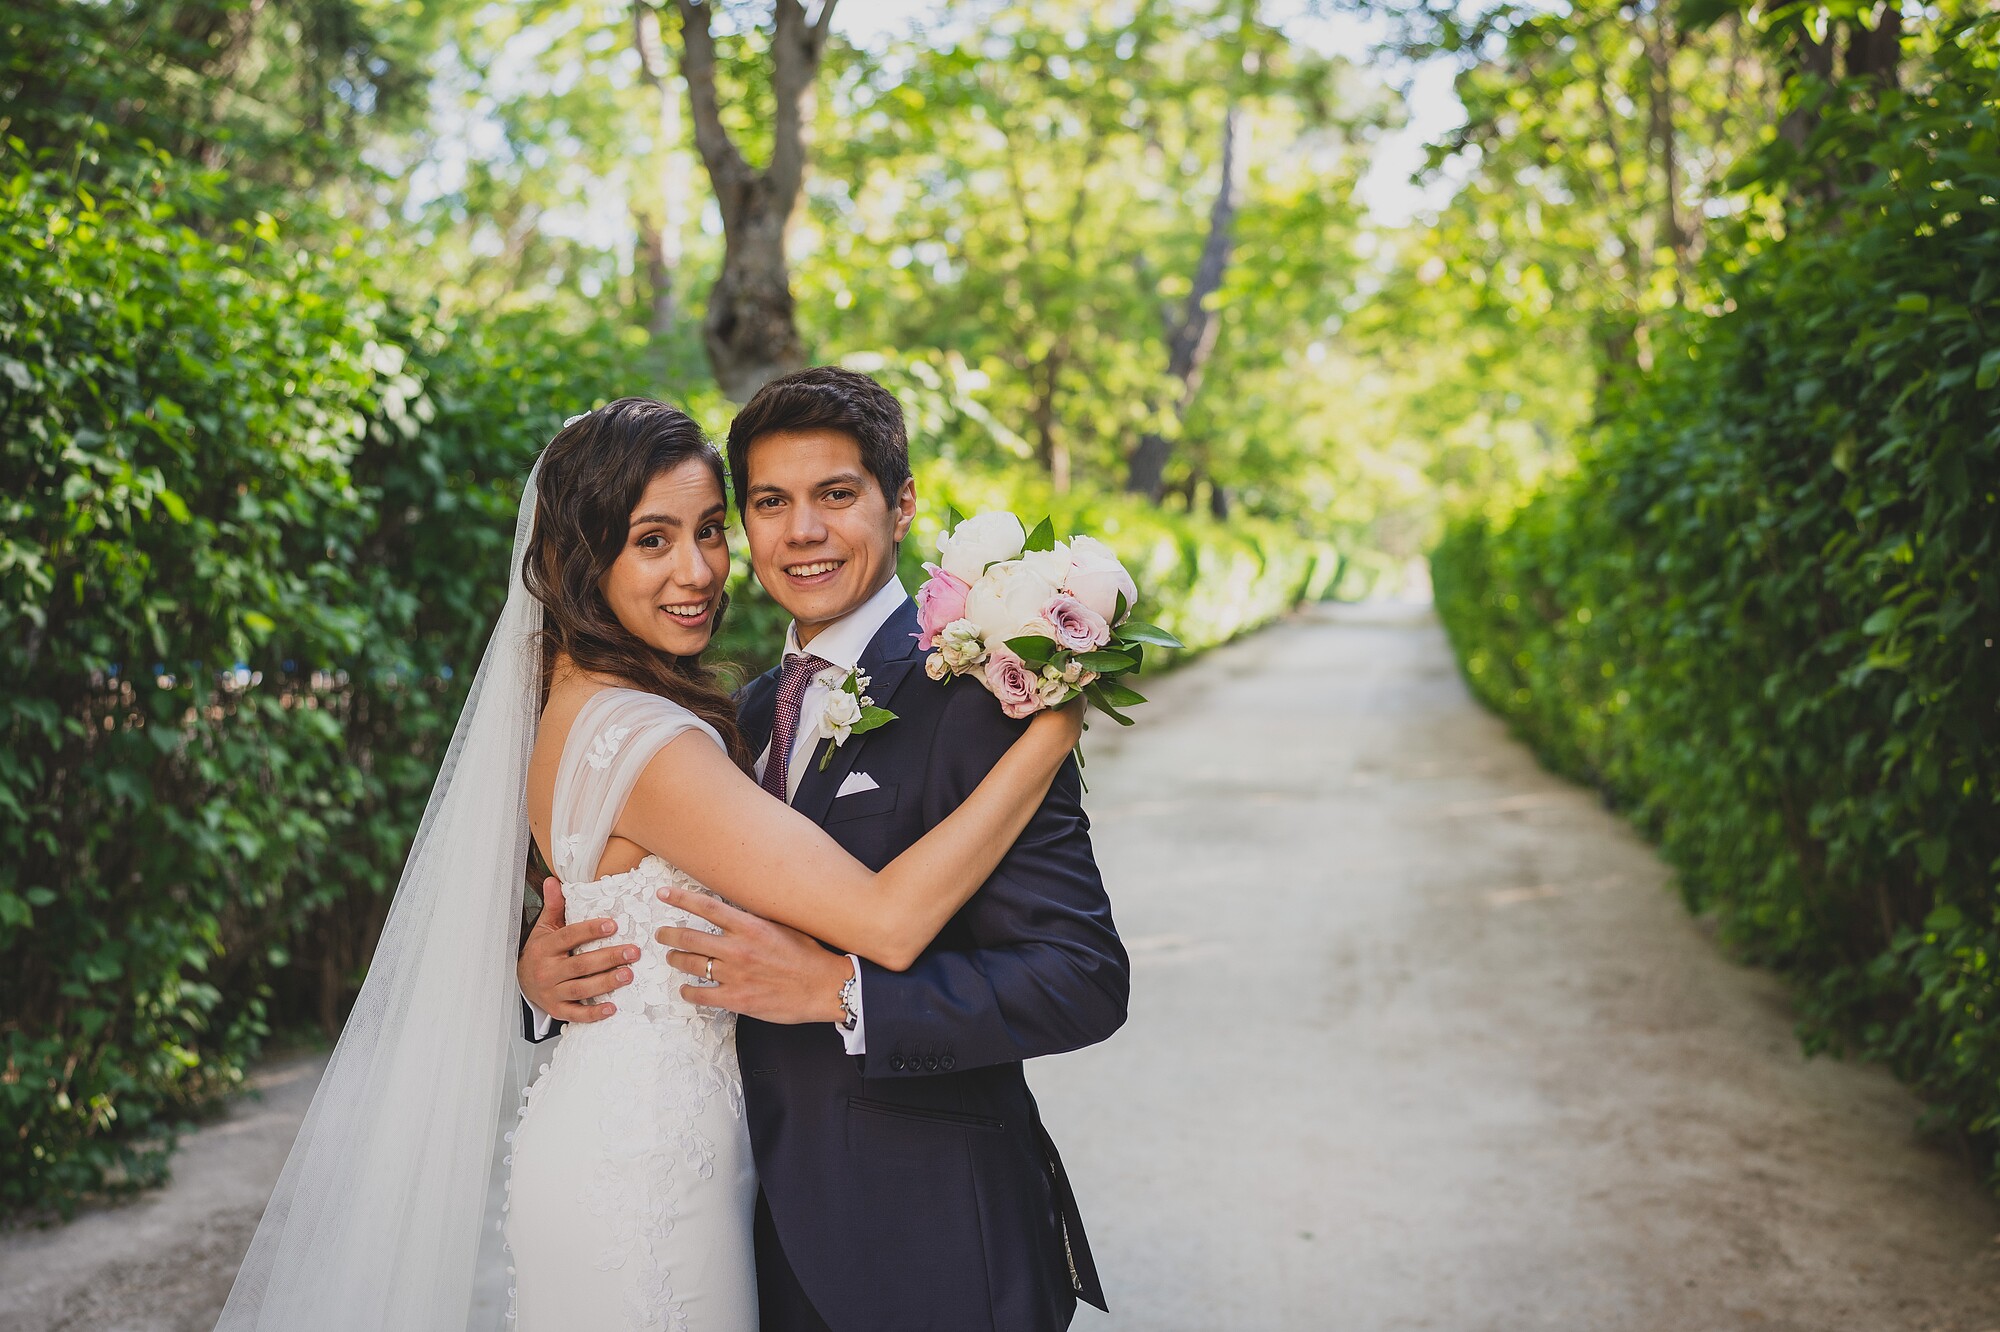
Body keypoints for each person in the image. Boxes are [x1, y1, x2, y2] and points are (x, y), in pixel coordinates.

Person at [215, 399, 1082, 1332]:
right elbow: (883, 916)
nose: (700, 569)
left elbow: (1076, 975)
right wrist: (1051, 734)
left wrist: (543, 968)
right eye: (652, 540)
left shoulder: (734, 712)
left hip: (839, 1207)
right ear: (582, 563)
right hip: (654, 1174)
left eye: (707, 531)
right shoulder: (662, 737)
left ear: (899, 503)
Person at [519, 368, 1129, 1332]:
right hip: (735, 1225)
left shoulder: (989, 699)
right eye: (767, 503)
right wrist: (547, 970)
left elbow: (1080, 978)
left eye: (835, 495)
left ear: (902, 506)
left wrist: (844, 996)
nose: (800, 531)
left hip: (925, 1244)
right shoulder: (733, 716)